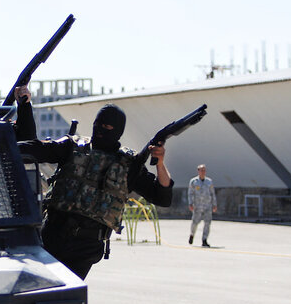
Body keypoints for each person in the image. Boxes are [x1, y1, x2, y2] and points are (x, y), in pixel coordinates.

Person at [17, 96, 174, 279]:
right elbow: (37, 149)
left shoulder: (129, 163)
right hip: (53, 236)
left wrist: (160, 163)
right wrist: (5, 139)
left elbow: (162, 197)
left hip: (87, 247)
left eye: (108, 127)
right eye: (98, 124)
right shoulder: (73, 146)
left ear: (118, 131)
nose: (101, 130)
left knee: (65, 298)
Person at [188, 164, 217, 247]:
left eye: (204, 170)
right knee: (195, 223)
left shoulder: (209, 181)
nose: (203, 172)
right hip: (197, 206)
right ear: (198, 171)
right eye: (201, 170)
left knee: (207, 223)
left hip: (207, 206)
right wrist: (190, 203)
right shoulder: (193, 181)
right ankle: (192, 234)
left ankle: (204, 239)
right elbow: (190, 193)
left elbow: (212, 193)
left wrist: (214, 205)